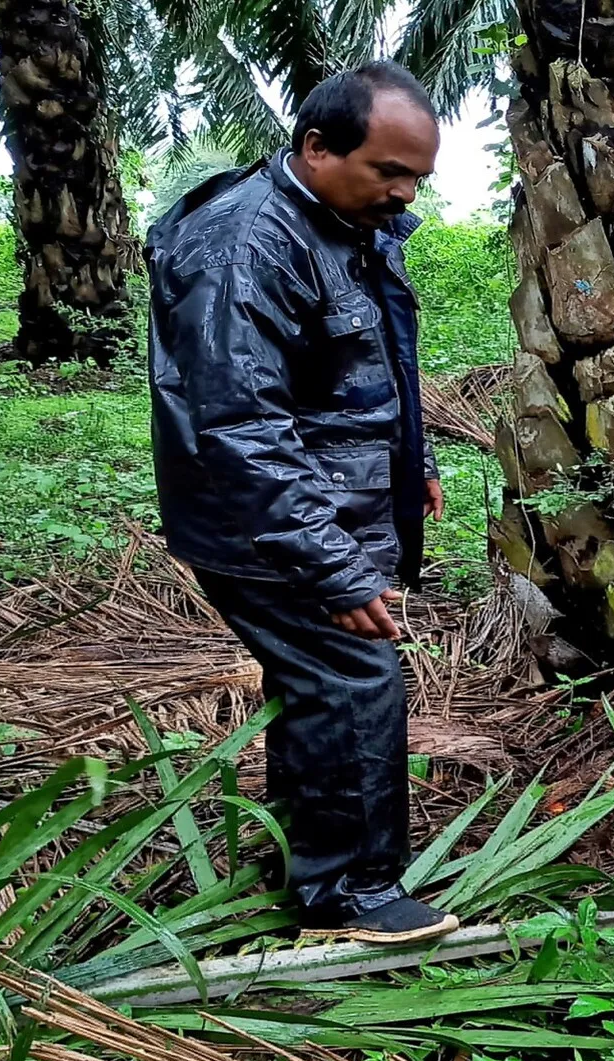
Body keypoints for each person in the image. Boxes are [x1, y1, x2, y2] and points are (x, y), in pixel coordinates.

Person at [146, 60, 457, 943]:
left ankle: (303, 858)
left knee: (317, 682)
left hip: (313, 505)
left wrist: (410, 459)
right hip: (267, 525)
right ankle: (349, 896)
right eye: (387, 172)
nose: (402, 195)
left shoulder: (341, 221)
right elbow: (239, 425)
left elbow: (367, 357)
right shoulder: (249, 243)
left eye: (415, 179)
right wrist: (335, 569)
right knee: (355, 676)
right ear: (317, 148)